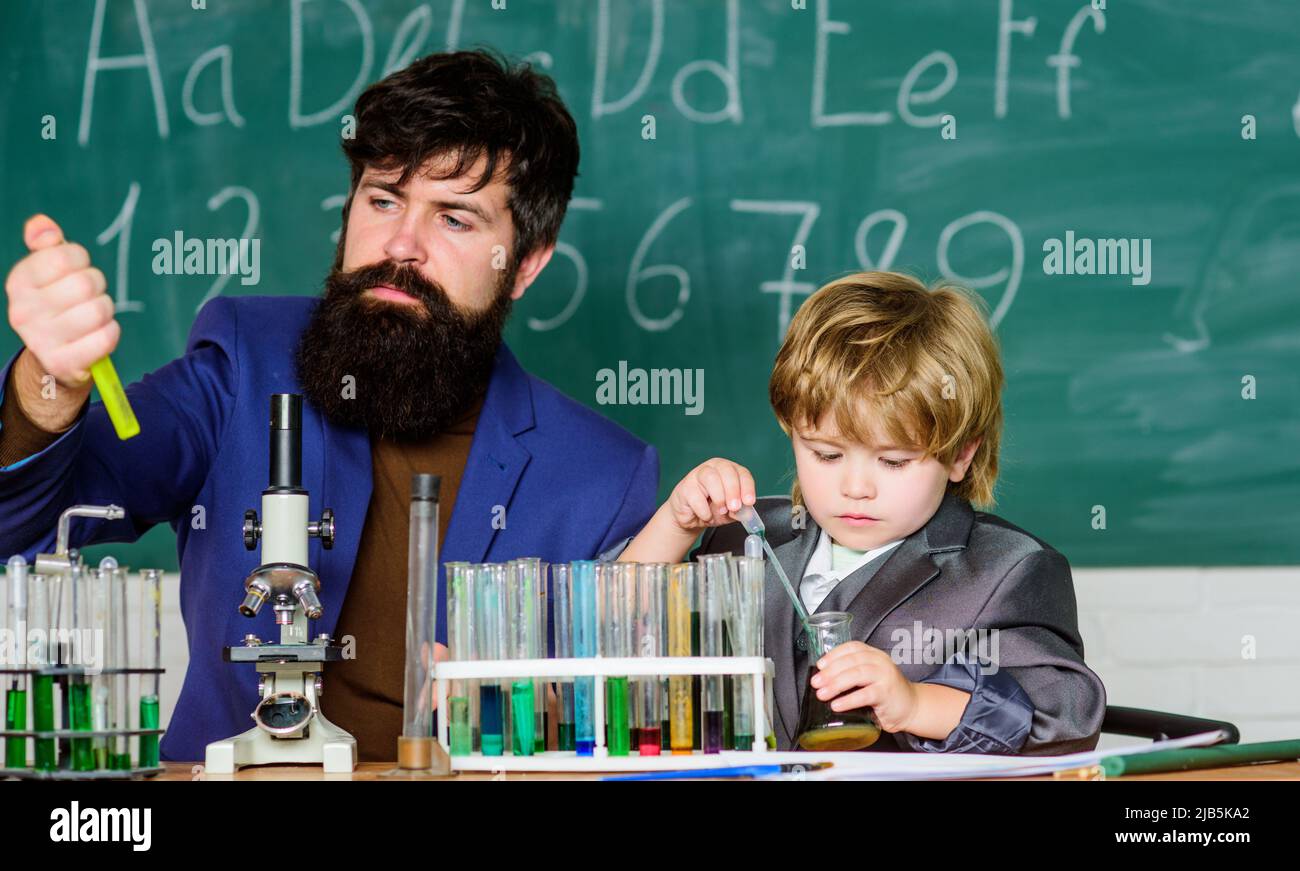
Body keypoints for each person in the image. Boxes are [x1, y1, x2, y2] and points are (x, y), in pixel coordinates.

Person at [0, 49, 658, 762]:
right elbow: (23, 521)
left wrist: (552, 715)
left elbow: (616, 738)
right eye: (383, 200)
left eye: (455, 221)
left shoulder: (602, 479)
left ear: (525, 264)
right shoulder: (244, 359)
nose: (401, 245)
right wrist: (51, 383)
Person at [619, 271, 1106, 754]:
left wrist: (916, 704)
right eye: (826, 455)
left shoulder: (1007, 569)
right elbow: (612, 637)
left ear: (961, 455)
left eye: (893, 461)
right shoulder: (745, 539)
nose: (855, 488)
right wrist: (676, 525)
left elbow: (1063, 713)